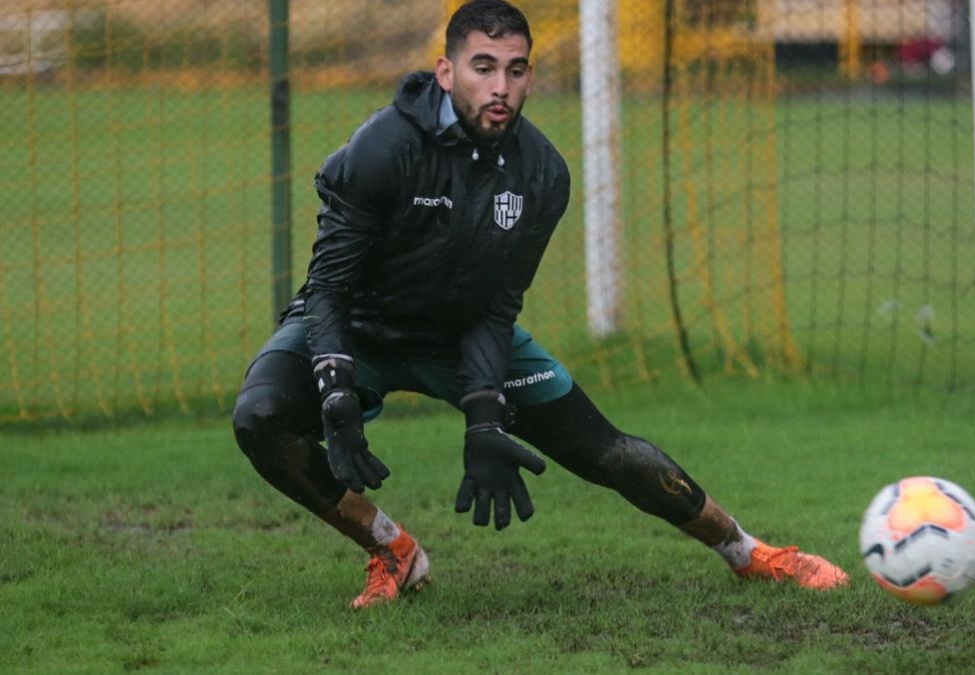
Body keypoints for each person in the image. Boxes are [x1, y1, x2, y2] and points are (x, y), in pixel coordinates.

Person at [232, 0, 848, 609]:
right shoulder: (382, 147)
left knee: (608, 453)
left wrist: (484, 417)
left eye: (516, 69)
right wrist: (336, 391)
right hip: (358, 326)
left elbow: (495, 308)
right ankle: (391, 548)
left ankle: (750, 552)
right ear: (446, 73)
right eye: (483, 67)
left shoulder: (543, 175)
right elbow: (329, 288)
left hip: (459, 330)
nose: (500, 86)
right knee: (260, 418)